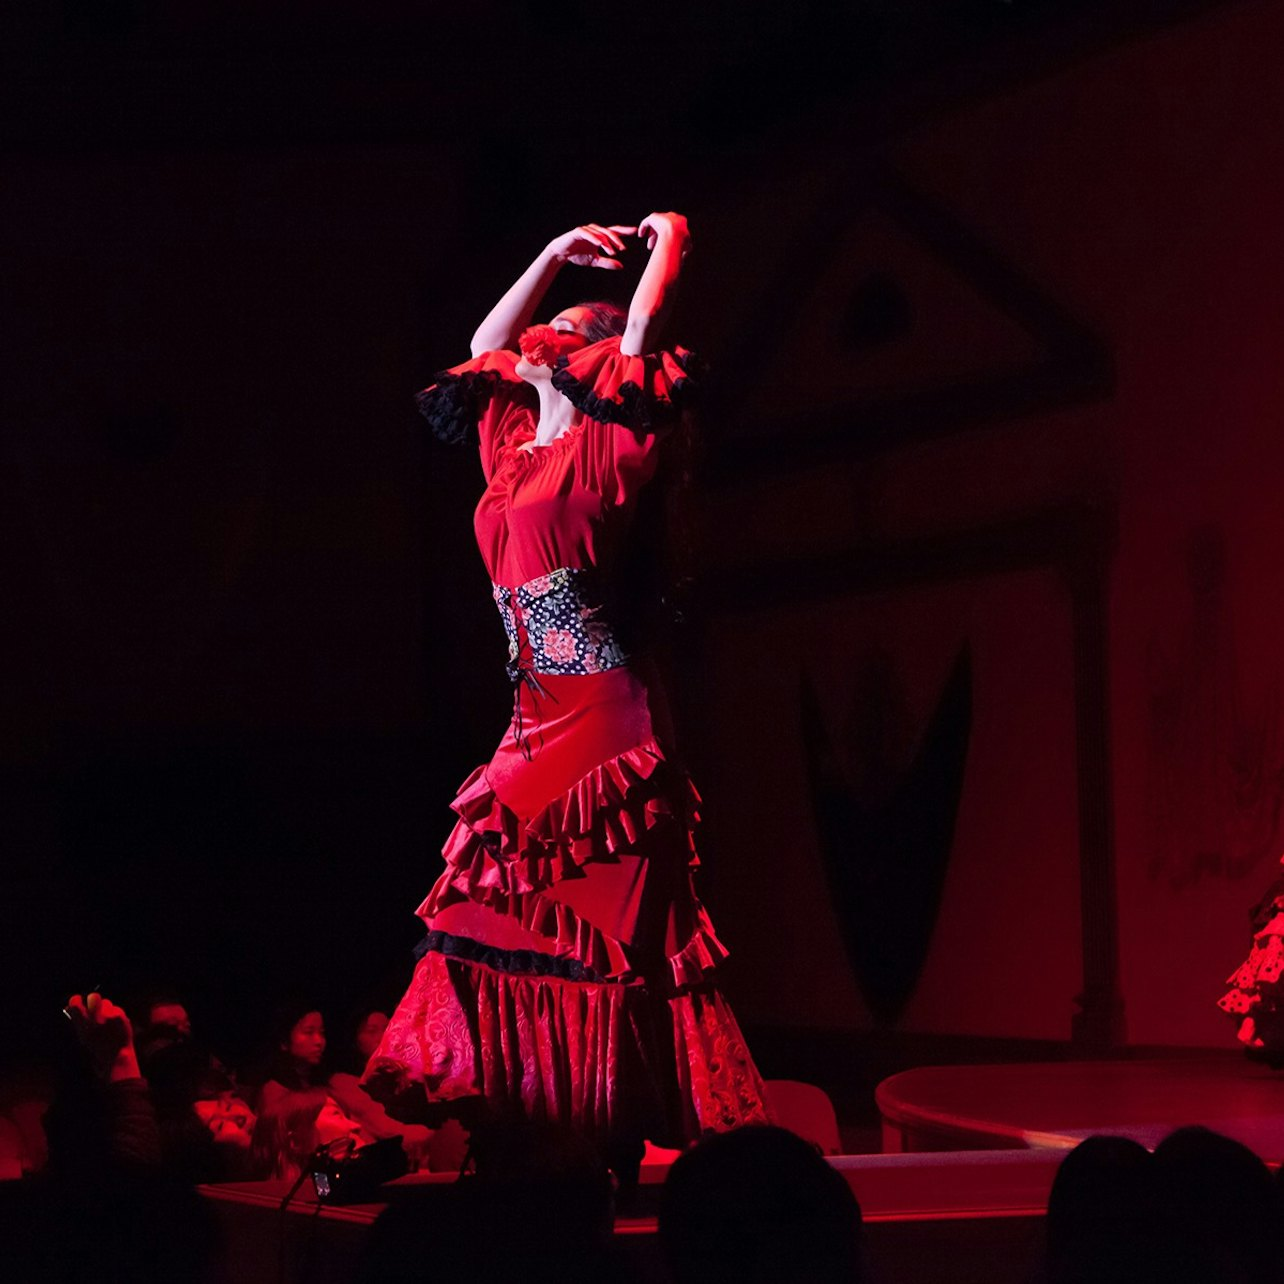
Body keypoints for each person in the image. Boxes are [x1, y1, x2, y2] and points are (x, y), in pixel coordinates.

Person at [363, 213, 771, 1174]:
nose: (543, 335)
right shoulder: (509, 445)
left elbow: (645, 329)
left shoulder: (614, 443)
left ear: (593, 361)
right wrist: (549, 252)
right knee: (481, 915)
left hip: (599, 721)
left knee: (601, 943)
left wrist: (667, 233)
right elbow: (482, 348)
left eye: (567, 327)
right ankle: (528, 1140)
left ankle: (597, 1141)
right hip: (529, 717)